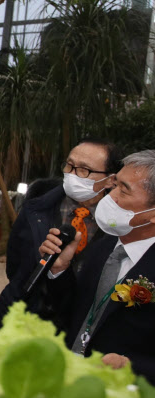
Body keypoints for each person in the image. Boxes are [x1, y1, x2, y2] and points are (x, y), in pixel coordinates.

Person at [40, 150, 155, 383]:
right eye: (114, 185)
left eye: (124, 190)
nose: (110, 196)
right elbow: (73, 311)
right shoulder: (102, 246)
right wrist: (59, 269)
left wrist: (130, 367)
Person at [0, 138, 122, 332]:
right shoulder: (36, 208)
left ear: (111, 179)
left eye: (84, 170)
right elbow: (15, 264)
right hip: (17, 320)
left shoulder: (119, 226)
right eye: (69, 165)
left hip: (72, 331)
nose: (72, 174)